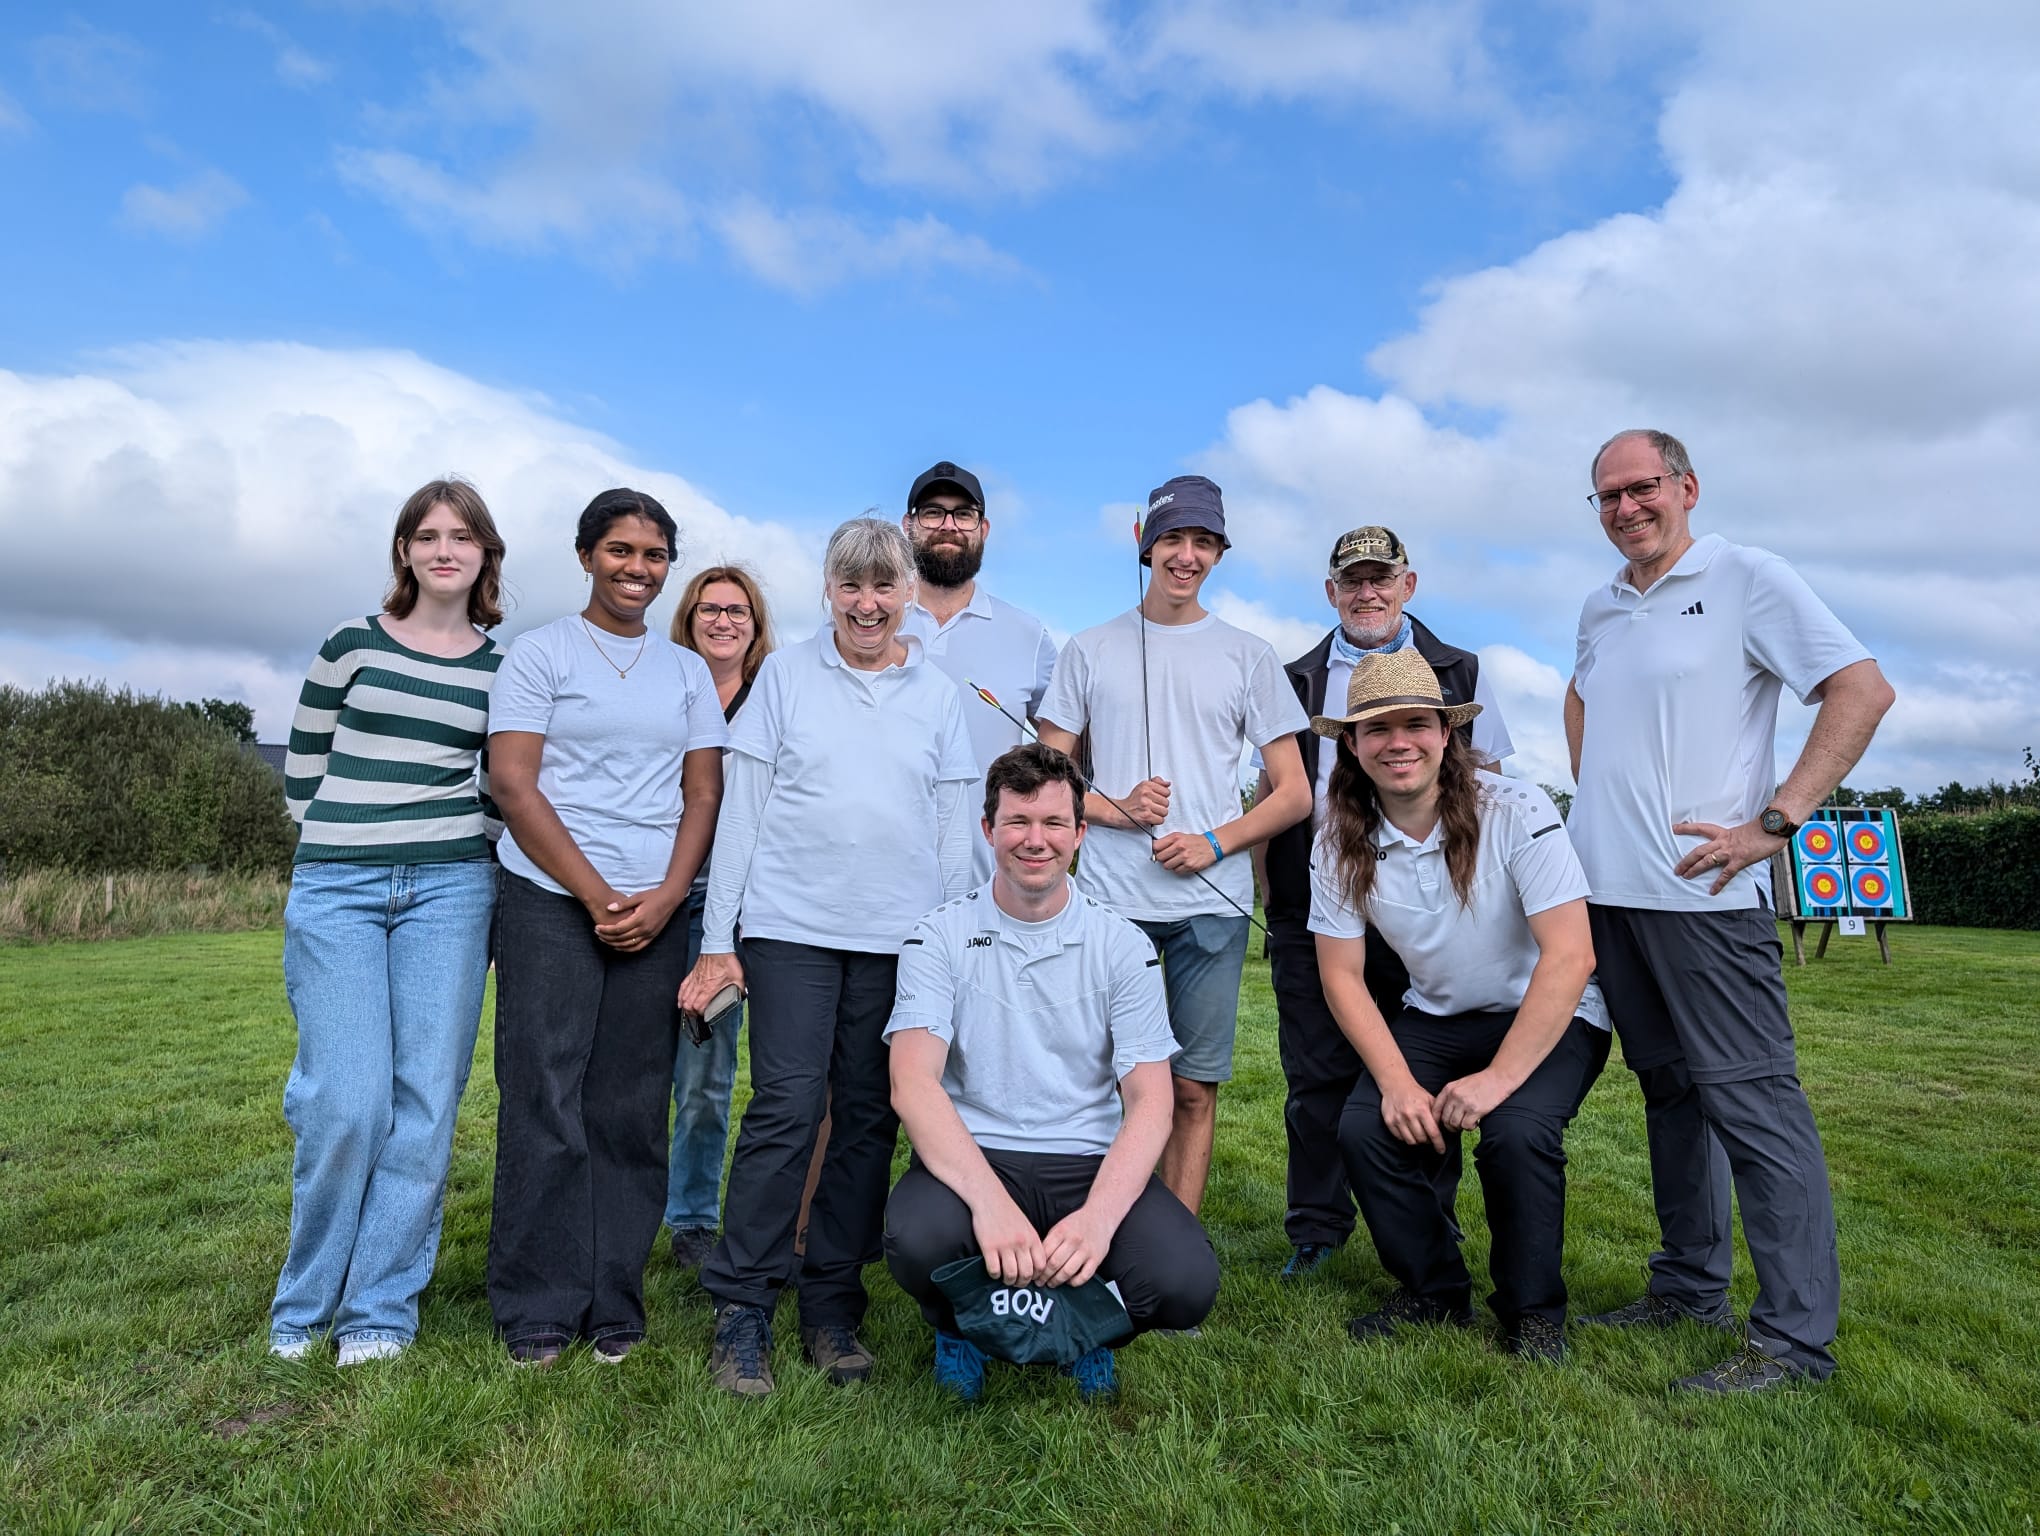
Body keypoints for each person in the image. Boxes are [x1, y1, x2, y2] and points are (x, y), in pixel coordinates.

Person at [1566, 429, 1894, 1392]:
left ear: (1686, 487)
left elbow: (1862, 690)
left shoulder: (1748, 576)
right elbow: (1583, 700)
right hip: (1610, 900)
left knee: (1754, 1108)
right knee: (1671, 1098)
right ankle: (1687, 1288)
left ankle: (1794, 1343)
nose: (1626, 509)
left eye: (1642, 489)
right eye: (1607, 497)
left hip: (1705, 899)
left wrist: (1777, 820)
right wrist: (1598, 807)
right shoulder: (1602, 604)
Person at [681, 517, 978, 1397]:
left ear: (907, 593)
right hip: (791, 931)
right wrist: (716, 940)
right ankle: (742, 1309)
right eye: (850, 586)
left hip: (901, 942)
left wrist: (955, 944)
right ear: (828, 592)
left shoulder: (937, 693)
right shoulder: (785, 677)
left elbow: (955, 832)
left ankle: (832, 1307)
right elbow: (743, 812)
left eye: (884, 586)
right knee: (784, 1109)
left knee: (867, 1118)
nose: (867, 604)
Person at [883, 743, 1221, 1402]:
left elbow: (1151, 1100)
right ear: (989, 830)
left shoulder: (1122, 943)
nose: (1034, 840)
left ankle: (1086, 1330)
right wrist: (991, 1205)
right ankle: (961, 1328)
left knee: (1185, 1281)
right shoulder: (938, 935)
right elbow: (913, 1083)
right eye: (1017, 822)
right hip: (978, 1153)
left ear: (1079, 834)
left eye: (1053, 823)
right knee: (917, 1238)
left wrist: (1096, 1219)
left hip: (1087, 1159)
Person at [485, 488, 728, 1367]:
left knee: (629, 1104)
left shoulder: (686, 672)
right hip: (550, 898)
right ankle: (538, 1302)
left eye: (655, 556)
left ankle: (613, 1295)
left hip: (654, 904)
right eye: (621, 551)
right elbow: (515, 785)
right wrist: (594, 896)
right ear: (586, 554)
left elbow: (703, 793)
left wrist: (667, 895)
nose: (638, 569)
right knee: (546, 1094)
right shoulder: (539, 654)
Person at [270, 478, 508, 1366]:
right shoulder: (351, 643)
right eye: (428, 534)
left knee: (422, 1108)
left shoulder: (498, 668)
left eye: (462, 536)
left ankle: (378, 1311)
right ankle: (304, 1304)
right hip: (338, 887)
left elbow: (498, 788)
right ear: (404, 550)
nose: (445, 549)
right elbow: (303, 765)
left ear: (486, 554)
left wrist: (446, 843)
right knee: (346, 1101)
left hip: (451, 893)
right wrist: (343, 835)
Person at [1308, 649, 1606, 1360]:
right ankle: (1433, 1292)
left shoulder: (1518, 807)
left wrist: (1497, 1083)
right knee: (1365, 1128)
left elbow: (1571, 957)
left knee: (1516, 1133)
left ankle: (1533, 1313)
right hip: (1436, 1014)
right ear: (1351, 744)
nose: (1398, 742)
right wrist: (1398, 1083)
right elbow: (1343, 976)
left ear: (1448, 733)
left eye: (1417, 723)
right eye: (1377, 729)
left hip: (1550, 1011)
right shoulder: (1337, 837)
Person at [1038, 475, 1311, 1224]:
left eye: (1203, 542)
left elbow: (1293, 792)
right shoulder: (1088, 649)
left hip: (1208, 911)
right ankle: (1086, 1223)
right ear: (1143, 542)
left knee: (1192, 1087)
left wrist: (1214, 842)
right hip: (1107, 905)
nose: (1185, 556)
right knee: (1097, 1081)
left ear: (1218, 553)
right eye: (1173, 539)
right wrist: (1118, 811)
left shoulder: (1249, 655)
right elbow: (1046, 783)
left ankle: (1171, 1244)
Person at [1252, 525, 1514, 1281]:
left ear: (1409, 585)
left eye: (1381, 579)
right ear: (1331, 592)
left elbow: (1488, 789)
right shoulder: (1295, 678)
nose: (1367, 593)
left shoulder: (1458, 670)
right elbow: (1277, 794)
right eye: (1352, 581)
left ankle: (1433, 1219)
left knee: (1424, 1065)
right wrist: (1278, 904)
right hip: (1316, 909)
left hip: (1428, 909)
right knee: (1314, 1078)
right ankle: (1317, 1226)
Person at [663, 565, 774, 1273]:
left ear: (756, 626)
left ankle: (694, 1217)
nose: (723, 621)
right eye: (709, 609)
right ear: (689, 617)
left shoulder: (773, 700)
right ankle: (621, 1201)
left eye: (737, 610)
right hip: (660, 895)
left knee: (706, 1071)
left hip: (735, 909)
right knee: (637, 1068)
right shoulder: (661, 689)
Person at [899, 460, 1060, 885]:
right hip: (875, 884)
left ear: (983, 528)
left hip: (985, 885)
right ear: (907, 526)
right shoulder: (870, 621)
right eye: (932, 512)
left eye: (963, 514)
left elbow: (1067, 748)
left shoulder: (1028, 634)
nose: (948, 525)